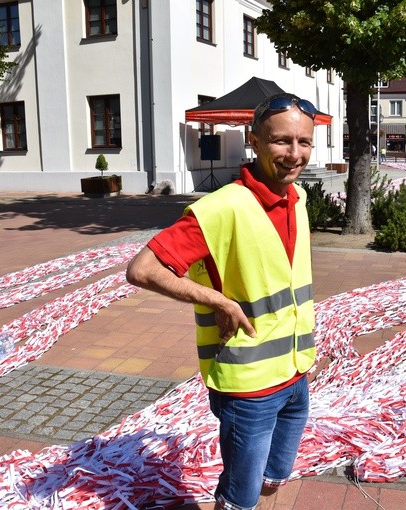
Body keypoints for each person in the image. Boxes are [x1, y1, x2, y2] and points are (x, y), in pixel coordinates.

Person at [126, 92, 318, 510]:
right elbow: (143, 269)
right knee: (239, 496)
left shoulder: (297, 199)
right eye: (281, 141)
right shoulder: (220, 208)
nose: (294, 153)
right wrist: (216, 299)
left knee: (275, 476)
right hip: (249, 387)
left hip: (295, 372)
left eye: (303, 142)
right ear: (254, 140)